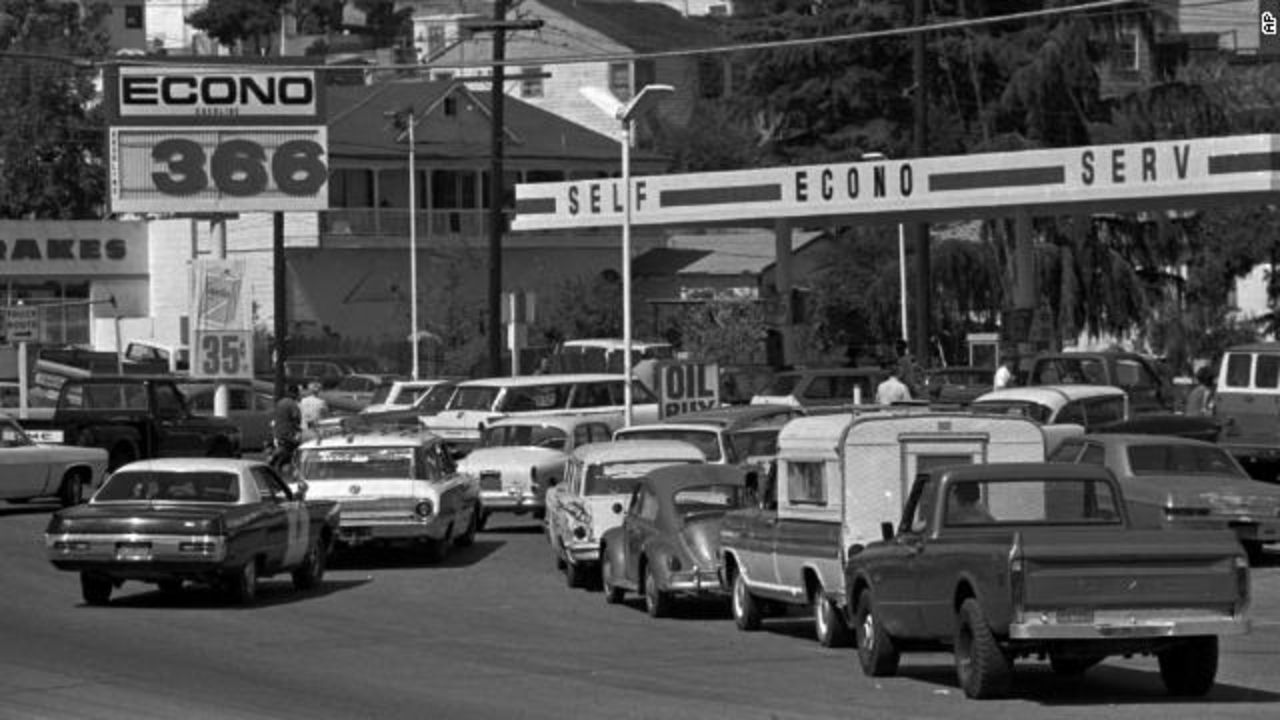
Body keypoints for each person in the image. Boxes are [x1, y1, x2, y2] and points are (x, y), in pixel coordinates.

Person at [270, 385, 302, 472]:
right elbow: (296, 419)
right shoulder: (292, 404)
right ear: (295, 394)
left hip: (277, 433)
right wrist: (298, 430)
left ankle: (275, 460)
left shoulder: (280, 403)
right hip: (288, 434)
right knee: (296, 450)